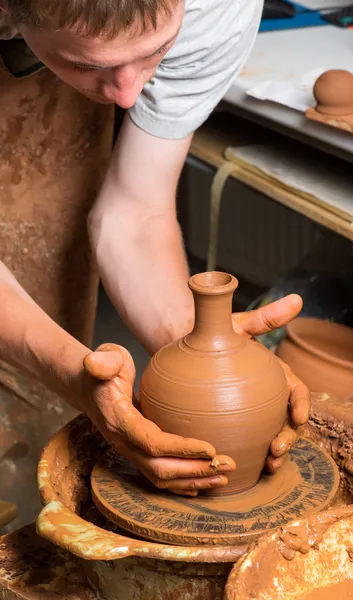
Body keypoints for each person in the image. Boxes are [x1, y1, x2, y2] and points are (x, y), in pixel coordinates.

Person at [0, 0, 310, 497]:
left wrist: (199, 353)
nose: (128, 97)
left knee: (32, 429)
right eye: (88, 65)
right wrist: (68, 370)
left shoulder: (217, 5)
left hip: (51, 49)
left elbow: (134, 214)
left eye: (158, 50)